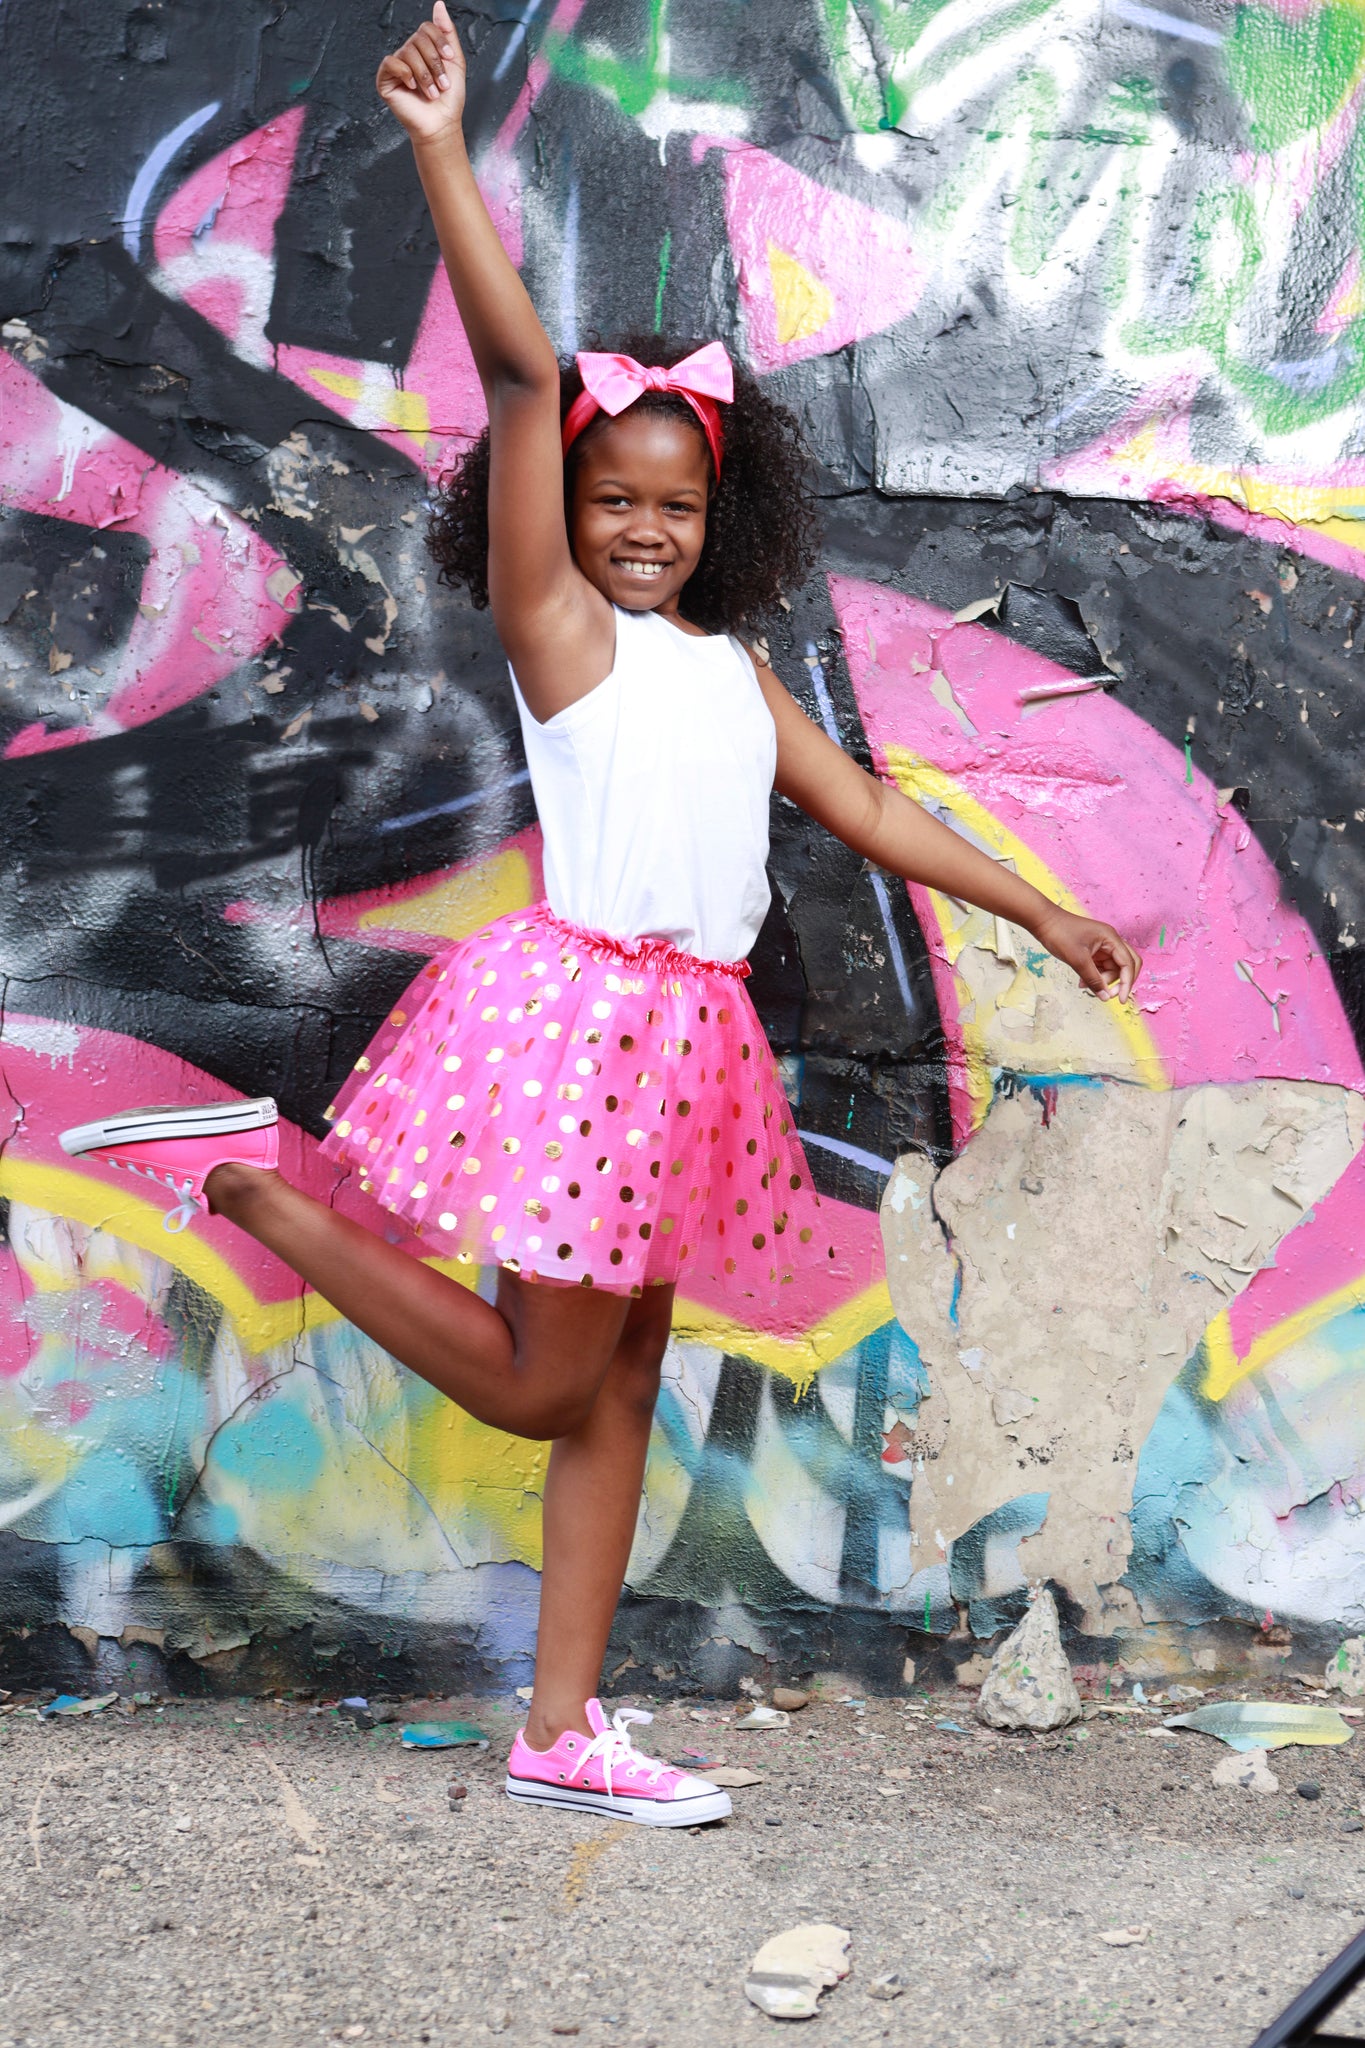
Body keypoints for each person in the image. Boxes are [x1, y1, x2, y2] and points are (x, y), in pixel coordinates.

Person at [57, 2, 1142, 1828]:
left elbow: (868, 808)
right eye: (609, 496)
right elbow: (502, 380)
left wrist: (1042, 908)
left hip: (685, 1043)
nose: (639, 527)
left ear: (723, 515)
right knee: (539, 1385)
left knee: (619, 1390)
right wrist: (435, 151)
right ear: (564, 504)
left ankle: (563, 1726)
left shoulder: (729, 669)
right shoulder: (565, 639)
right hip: (579, 1029)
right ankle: (256, 1187)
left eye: (672, 502)